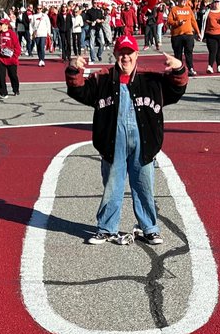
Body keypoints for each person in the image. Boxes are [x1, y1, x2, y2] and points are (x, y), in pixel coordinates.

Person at [64, 35, 188, 246]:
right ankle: (106, 228)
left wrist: (179, 69)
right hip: (113, 145)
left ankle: (149, 228)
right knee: (113, 186)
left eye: (129, 53)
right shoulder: (102, 79)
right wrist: (73, 69)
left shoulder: (151, 80)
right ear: (115, 55)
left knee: (144, 186)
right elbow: (79, 91)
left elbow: (176, 89)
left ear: (136, 54)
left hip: (144, 145)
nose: (126, 58)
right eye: (121, 53)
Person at [167, 0, 199, 76]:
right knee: (178, 53)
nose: (183, 2)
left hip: (188, 34)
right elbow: (169, 21)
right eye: (182, 0)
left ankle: (190, 68)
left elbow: (193, 21)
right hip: (177, 35)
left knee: (189, 52)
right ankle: (178, 69)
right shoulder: (174, 9)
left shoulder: (189, 9)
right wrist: (177, 23)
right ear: (178, 0)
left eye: (185, 0)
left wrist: (198, 32)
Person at [0, 16, 21, 97]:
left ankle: (15, 89)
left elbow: (17, 47)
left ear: (6, 25)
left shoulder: (12, 34)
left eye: (1, 24)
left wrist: (14, 55)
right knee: (1, 76)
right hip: (1, 59)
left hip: (11, 59)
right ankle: (3, 92)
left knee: (13, 75)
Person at [202, 0, 220, 74]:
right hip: (211, 34)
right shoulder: (208, 12)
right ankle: (210, 66)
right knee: (213, 50)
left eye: (218, 2)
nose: (216, 4)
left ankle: (219, 65)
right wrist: (201, 34)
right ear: (212, 3)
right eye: (215, 2)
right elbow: (203, 23)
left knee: (219, 51)